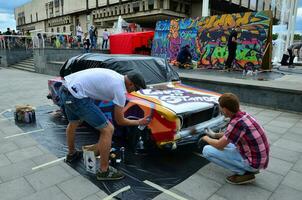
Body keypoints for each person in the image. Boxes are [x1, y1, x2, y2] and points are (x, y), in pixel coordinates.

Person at [59, 68, 149, 180]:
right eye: (135, 88)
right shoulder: (120, 90)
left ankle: (71, 154)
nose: (133, 91)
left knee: (73, 123)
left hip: (65, 89)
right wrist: (139, 122)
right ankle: (104, 171)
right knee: (108, 130)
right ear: (130, 83)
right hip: (77, 96)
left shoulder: (116, 76)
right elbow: (120, 120)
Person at [199, 93, 269, 185]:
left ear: (225, 109)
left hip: (253, 163)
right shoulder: (243, 116)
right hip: (260, 159)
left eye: (220, 107)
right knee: (228, 144)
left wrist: (206, 138)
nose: (220, 110)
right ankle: (247, 168)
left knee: (207, 150)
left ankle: (243, 172)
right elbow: (231, 134)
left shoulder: (236, 123)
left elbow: (220, 145)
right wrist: (214, 135)